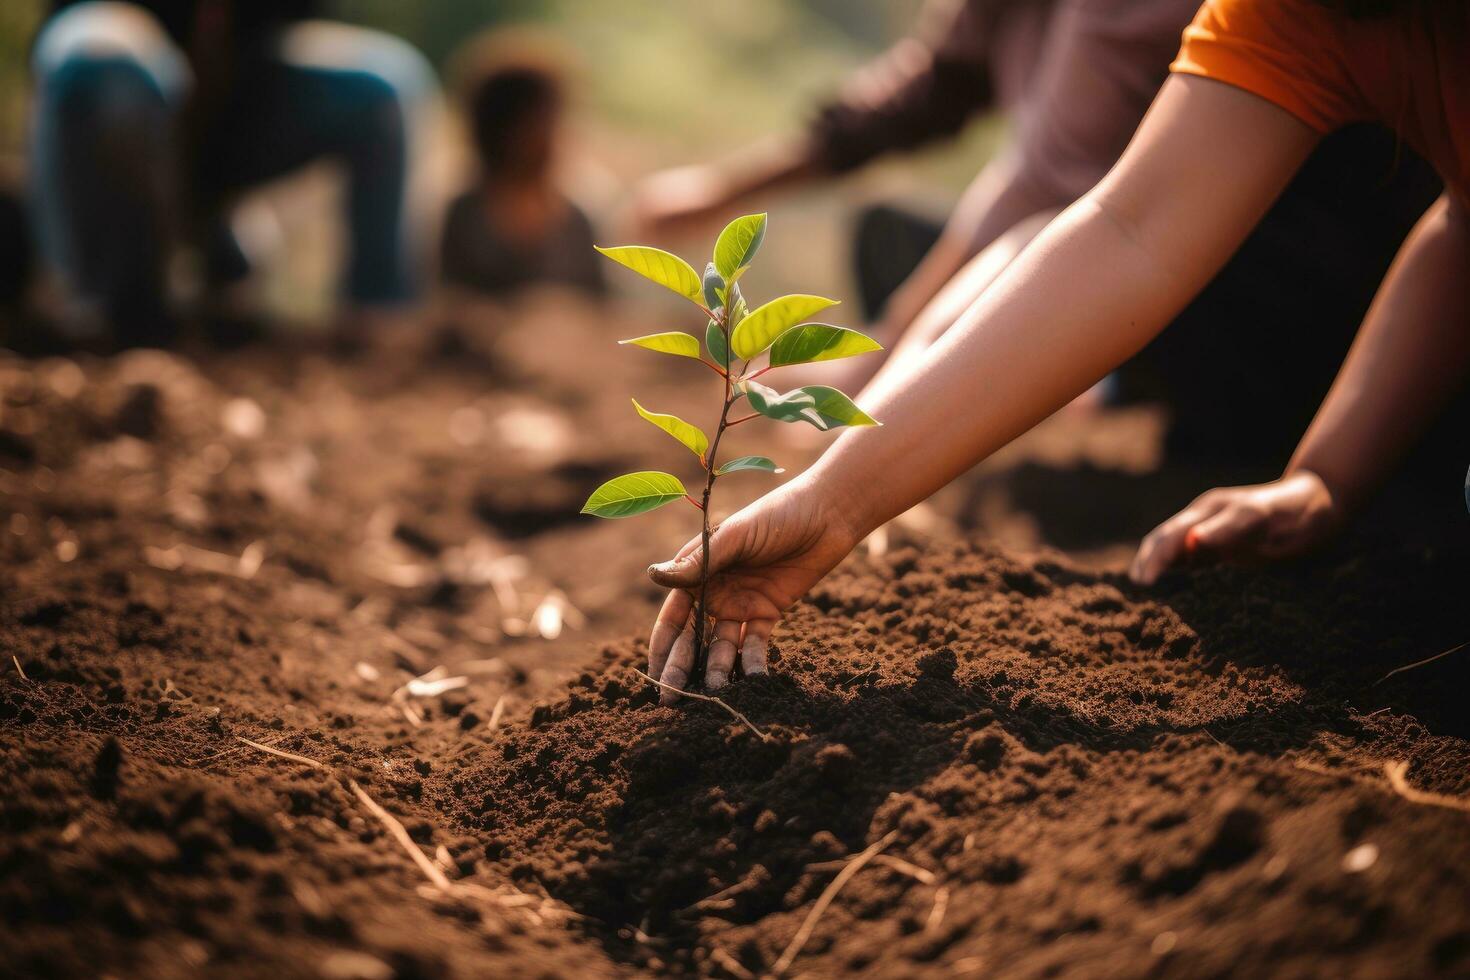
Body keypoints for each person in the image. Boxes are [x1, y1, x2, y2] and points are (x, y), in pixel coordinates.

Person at [641, 0, 1470, 701]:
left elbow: (1050, 193)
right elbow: (1127, 231)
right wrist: (832, 501)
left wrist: (875, 365)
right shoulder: (1296, 15)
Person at [631, 0, 1438, 463]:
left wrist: (880, 367)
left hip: (1287, 303)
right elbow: (926, 91)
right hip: (1095, 232)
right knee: (892, 234)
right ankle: (1035, 369)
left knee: (1003, 258)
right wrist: (717, 190)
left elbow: (1053, 189)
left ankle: (1098, 382)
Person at [28, 1, 435, 348]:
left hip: (239, 71)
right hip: (117, 52)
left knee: (383, 89)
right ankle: (123, 314)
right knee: (108, 67)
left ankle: (376, 324)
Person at [439, 45, 605, 300]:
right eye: (539, 123)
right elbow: (448, 303)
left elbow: (602, 307)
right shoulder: (465, 216)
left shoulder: (580, 218)